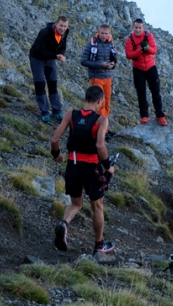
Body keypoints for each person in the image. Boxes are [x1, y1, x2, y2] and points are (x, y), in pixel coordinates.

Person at [50, 85, 116, 255]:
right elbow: (100, 145)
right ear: (100, 101)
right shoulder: (101, 120)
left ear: (85, 98)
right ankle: (99, 246)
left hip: (73, 164)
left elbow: (55, 138)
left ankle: (64, 224)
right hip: (91, 168)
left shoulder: (71, 114)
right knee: (98, 207)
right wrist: (108, 166)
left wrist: (56, 154)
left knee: (76, 203)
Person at [124, 19, 167, 126]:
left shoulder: (149, 36)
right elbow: (129, 55)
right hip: (138, 69)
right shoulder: (129, 39)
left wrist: (147, 47)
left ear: (143, 28)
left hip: (151, 67)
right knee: (141, 93)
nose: (138, 29)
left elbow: (154, 50)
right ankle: (144, 116)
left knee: (155, 92)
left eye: (140, 27)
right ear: (133, 27)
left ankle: (160, 115)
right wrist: (141, 50)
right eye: (136, 27)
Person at [29, 16, 69, 123]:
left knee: (53, 83)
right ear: (56, 24)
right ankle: (45, 111)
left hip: (50, 59)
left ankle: (57, 110)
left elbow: (62, 47)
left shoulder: (64, 33)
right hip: (37, 58)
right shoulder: (45, 32)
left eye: (65, 26)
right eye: (61, 25)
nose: (63, 28)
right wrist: (55, 56)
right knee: (40, 83)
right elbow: (39, 50)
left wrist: (61, 54)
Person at [80, 24, 117, 138]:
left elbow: (115, 60)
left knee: (107, 104)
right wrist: (99, 65)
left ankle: (105, 128)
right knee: (99, 104)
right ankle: (100, 130)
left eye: (106, 33)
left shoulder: (111, 44)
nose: (104, 35)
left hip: (108, 77)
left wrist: (112, 65)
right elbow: (83, 61)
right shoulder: (92, 43)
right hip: (96, 77)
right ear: (98, 32)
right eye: (102, 33)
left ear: (109, 34)